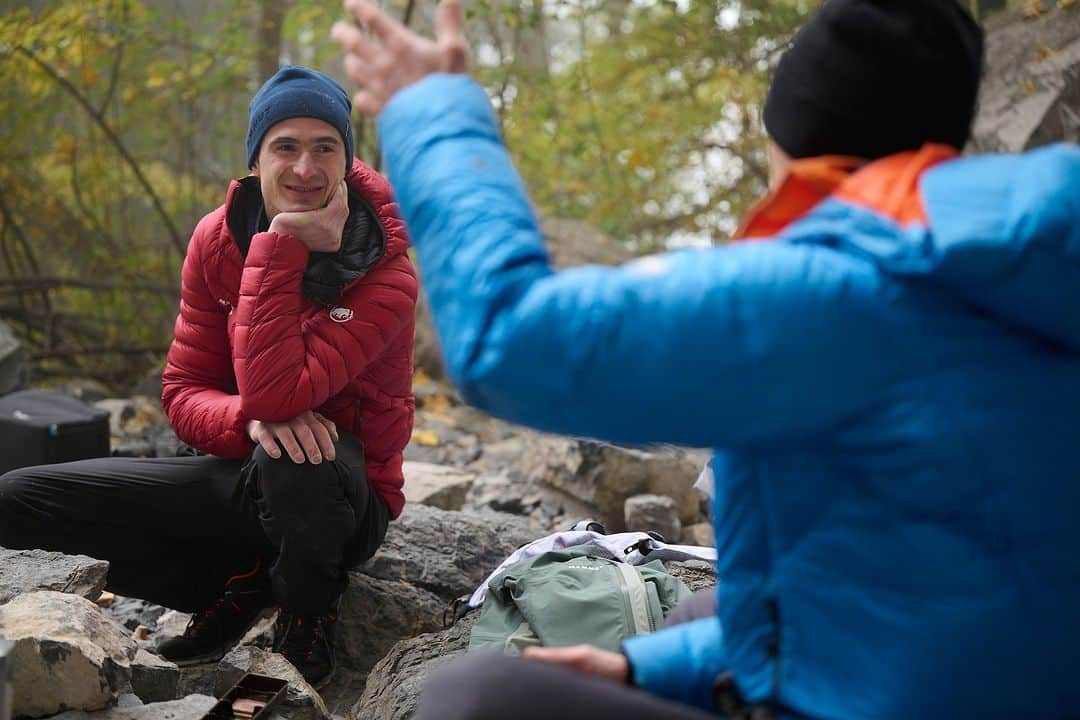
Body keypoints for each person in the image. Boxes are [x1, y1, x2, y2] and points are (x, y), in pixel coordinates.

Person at [331, 0, 1080, 717]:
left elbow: (509, 340)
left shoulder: (829, 293)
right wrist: (643, 668)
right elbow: (933, 575)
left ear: (795, 136)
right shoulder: (1028, 269)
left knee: (472, 700)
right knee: (701, 610)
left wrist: (433, 113)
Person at [0, 65, 417, 688]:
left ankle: (306, 616)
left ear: (346, 158)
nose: (305, 168)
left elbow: (281, 392)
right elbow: (184, 390)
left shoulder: (386, 272)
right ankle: (242, 582)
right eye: (286, 147)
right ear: (256, 159)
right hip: (242, 472)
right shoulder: (215, 240)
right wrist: (246, 421)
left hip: (341, 502)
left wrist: (280, 241)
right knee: (16, 499)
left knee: (297, 461)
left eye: (324, 147)